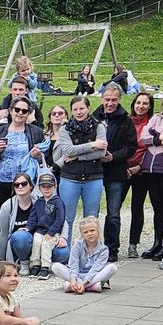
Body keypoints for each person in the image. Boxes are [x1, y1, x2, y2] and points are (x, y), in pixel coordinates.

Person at [90, 84, 137, 262]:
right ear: (102, 99)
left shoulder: (126, 120)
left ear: (119, 100)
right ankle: (92, 248)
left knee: (113, 213)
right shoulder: (94, 117)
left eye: (114, 100)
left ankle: (112, 249)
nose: (110, 103)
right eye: (107, 99)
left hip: (116, 171)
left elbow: (131, 146)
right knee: (92, 212)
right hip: (94, 170)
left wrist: (114, 157)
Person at [56, 95, 107, 242]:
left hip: (93, 178)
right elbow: (68, 151)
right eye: (75, 109)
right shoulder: (65, 129)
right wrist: (92, 145)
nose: (79, 112)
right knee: (67, 218)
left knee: (91, 219)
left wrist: (78, 157)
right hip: (69, 178)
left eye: (82, 108)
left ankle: (91, 250)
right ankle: (65, 249)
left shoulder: (99, 127)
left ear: (88, 108)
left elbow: (101, 152)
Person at [0, 96, 46, 206]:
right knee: (5, 212)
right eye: (17, 110)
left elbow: (45, 157)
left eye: (24, 111)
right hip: (3, 181)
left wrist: (38, 156)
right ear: (10, 111)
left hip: (26, 182)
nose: (20, 113)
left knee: (26, 213)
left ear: (28, 114)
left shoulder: (36, 132)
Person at [139, 85, 163, 261]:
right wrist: (160, 137)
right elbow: (144, 137)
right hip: (152, 170)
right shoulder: (156, 118)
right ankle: (157, 242)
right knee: (157, 208)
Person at [52, 216, 118, 292]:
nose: (89, 234)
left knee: (112, 268)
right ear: (82, 234)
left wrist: (84, 283)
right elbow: (73, 265)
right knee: (55, 266)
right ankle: (92, 286)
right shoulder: (77, 245)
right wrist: (73, 279)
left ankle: (77, 286)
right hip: (78, 274)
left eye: (92, 230)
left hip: (94, 275)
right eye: (86, 232)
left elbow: (96, 269)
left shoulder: (104, 249)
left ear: (98, 230)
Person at [126, 92, 156, 258]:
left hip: (141, 171)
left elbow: (152, 149)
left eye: (145, 103)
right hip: (123, 170)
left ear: (150, 106)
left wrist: (139, 167)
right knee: (114, 208)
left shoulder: (152, 124)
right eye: (138, 103)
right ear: (134, 104)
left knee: (137, 208)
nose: (141, 106)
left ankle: (133, 244)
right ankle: (111, 244)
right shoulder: (127, 121)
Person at [22, 171, 66, 279]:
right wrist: (28, 228)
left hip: (53, 232)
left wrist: (51, 232)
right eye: (43, 187)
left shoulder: (58, 202)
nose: (46, 189)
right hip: (40, 230)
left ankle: (45, 267)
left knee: (46, 244)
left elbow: (59, 220)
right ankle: (35, 265)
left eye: (49, 186)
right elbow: (33, 218)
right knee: (36, 243)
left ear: (55, 187)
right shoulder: (38, 202)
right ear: (39, 188)